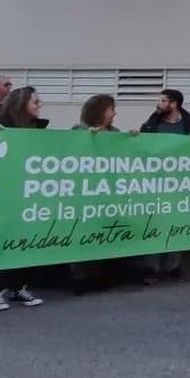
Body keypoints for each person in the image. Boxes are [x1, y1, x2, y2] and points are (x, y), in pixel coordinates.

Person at [0, 87, 47, 310]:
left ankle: (19, 287)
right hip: (6, 194)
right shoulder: (2, 129)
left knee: (25, 242)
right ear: (22, 104)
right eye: (35, 101)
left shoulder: (36, 129)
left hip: (28, 194)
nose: (39, 105)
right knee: (3, 242)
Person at [140, 89, 190, 282]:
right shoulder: (152, 123)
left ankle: (173, 266)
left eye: (163, 100)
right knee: (154, 225)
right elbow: (141, 147)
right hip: (155, 184)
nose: (158, 103)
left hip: (181, 184)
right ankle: (151, 268)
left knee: (176, 224)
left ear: (174, 104)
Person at [71, 94, 124, 295]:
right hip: (86, 193)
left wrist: (134, 139)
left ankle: (99, 275)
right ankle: (79, 277)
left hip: (107, 192)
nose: (115, 113)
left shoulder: (115, 133)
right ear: (100, 111)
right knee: (83, 234)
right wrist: (87, 139)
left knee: (103, 233)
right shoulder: (79, 131)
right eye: (112, 109)